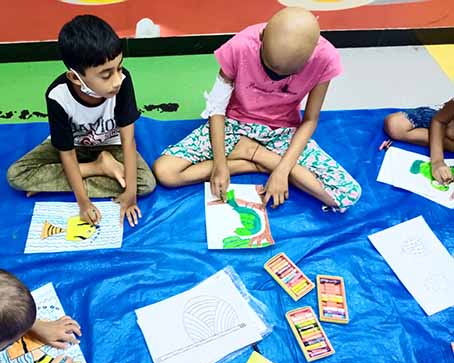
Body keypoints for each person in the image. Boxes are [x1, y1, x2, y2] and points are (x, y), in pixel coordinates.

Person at [153, 7, 361, 211]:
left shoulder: (325, 59)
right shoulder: (240, 46)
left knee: (345, 195)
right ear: (261, 37)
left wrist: (282, 170)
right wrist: (219, 165)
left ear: (311, 56)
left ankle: (255, 154)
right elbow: (217, 108)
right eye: (269, 68)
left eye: (284, 75)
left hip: (281, 133)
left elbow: (310, 120)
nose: (274, 79)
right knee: (165, 172)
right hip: (233, 126)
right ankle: (255, 161)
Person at [7, 15, 156, 227]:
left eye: (119, 68)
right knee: (17, 175)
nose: (116, 80)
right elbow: (66, 153)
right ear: (75, 77)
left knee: (145, 184)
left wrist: (130, 193)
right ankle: (98, 166)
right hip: (74, 147)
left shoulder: (123, 81)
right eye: (106, 75)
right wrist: (83, 203)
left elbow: (128, 141)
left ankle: (58, 179)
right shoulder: (57, 96)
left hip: (111, 145)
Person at [384, 100, 454, 184]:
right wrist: (437, 162)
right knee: (395, 125)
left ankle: (442, 138)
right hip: (443, 118)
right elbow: (439, 121)